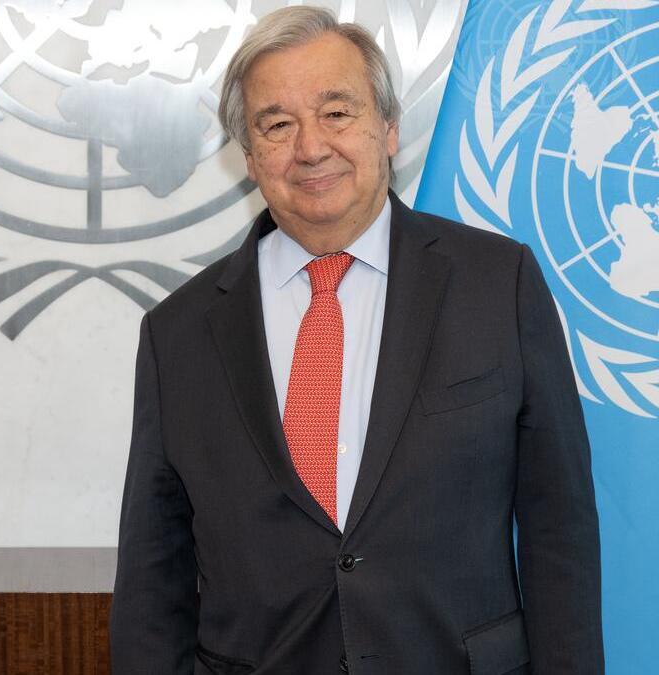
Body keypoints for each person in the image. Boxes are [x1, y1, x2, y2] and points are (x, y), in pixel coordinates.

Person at [110, 7, 602, 674]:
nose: (311, 147)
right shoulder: (178, 334)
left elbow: (559, 533)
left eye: (337, 113)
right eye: (276, 124)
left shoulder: (499, 285)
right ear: (250, 158)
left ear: (389, 128)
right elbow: (152, 580)